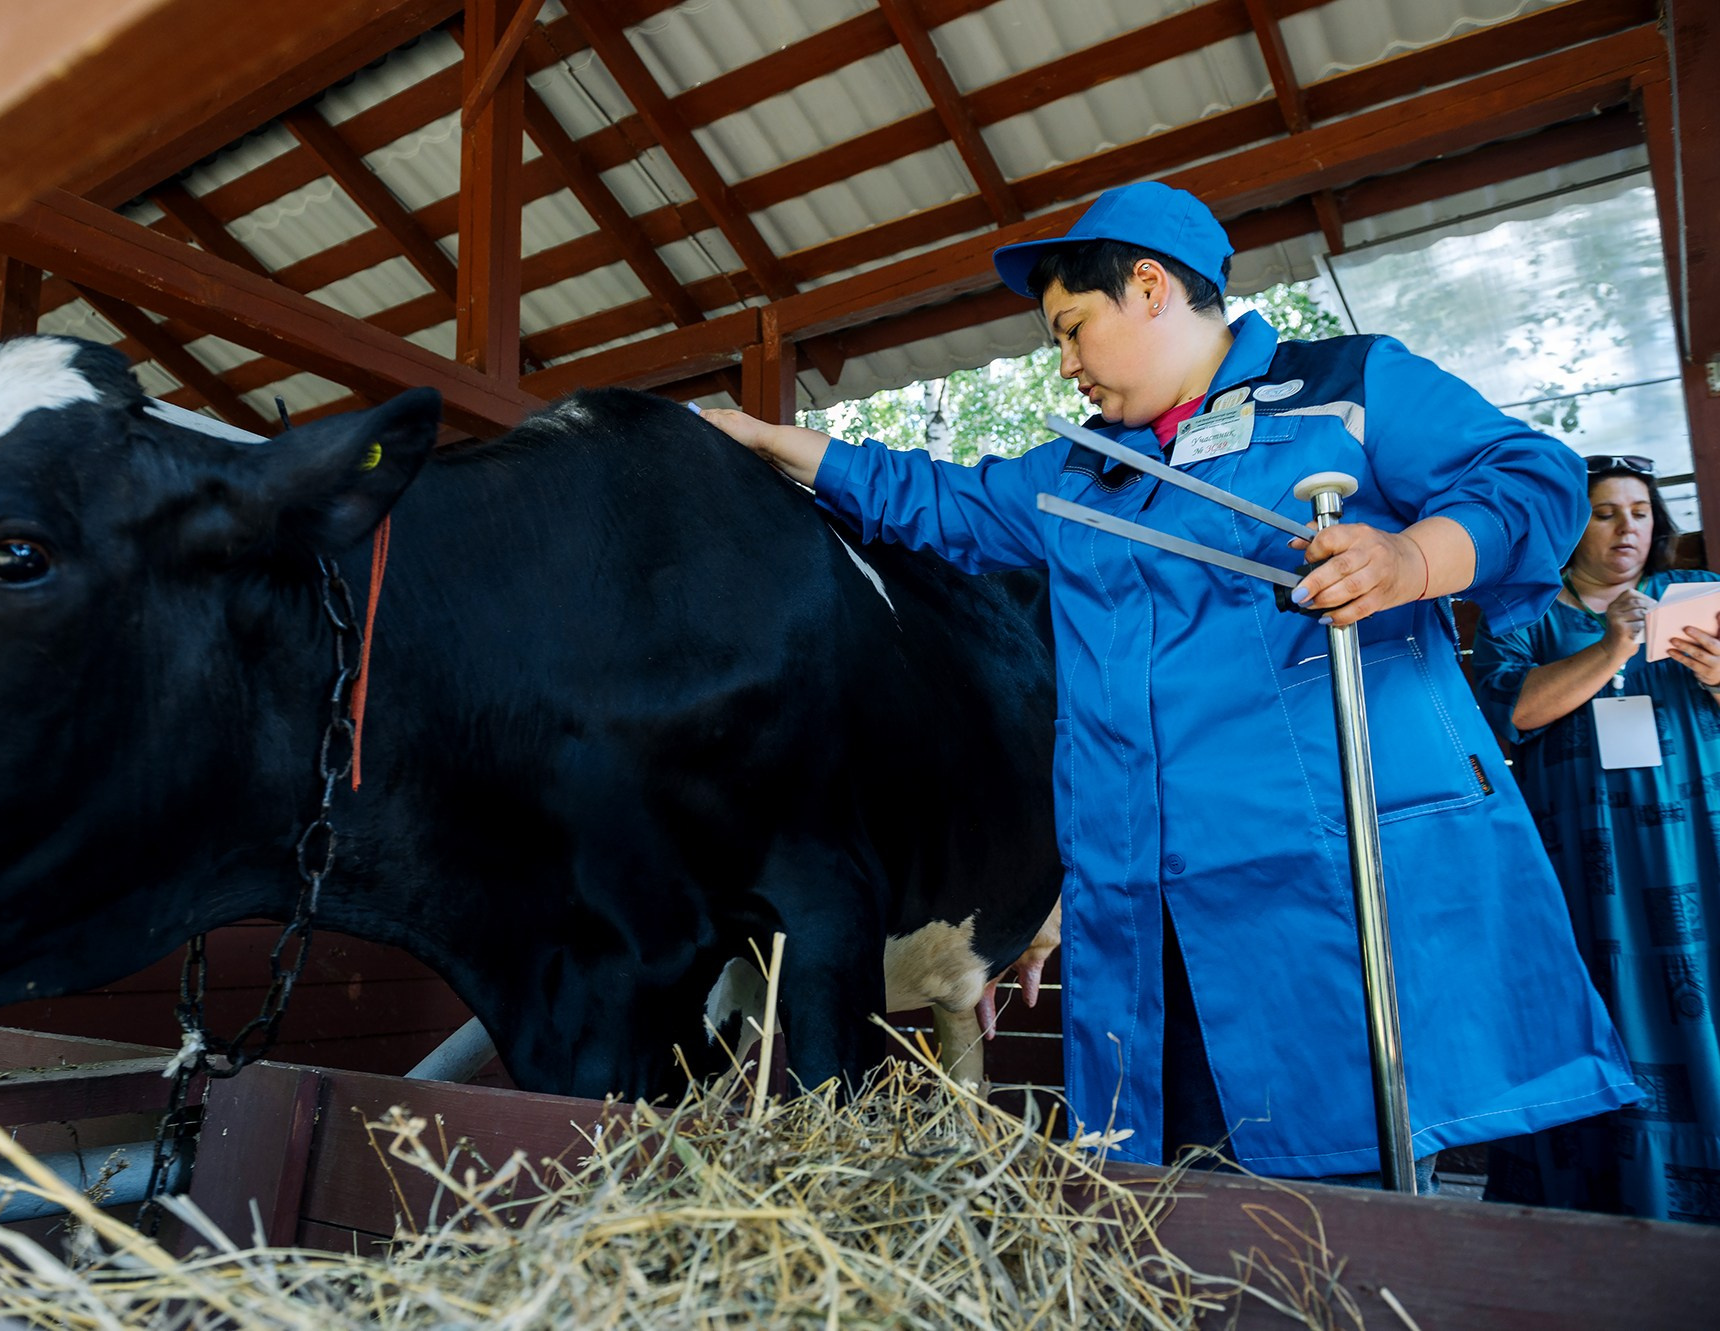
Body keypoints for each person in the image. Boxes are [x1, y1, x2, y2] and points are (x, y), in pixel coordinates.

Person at [698, 181, 1637, 1189]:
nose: (1062, 363)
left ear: (1146, 285)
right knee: (1163, 1193)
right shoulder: (1076, 473)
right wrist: (763, 440)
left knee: (1332, 1195)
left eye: (1070, 327)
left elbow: (1527, 473)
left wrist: (1411, 560)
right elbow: (932, 496)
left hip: (1317, 893)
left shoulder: (1343, 391)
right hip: (1137, 908)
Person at [1471, 455, 1720, 1222]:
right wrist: (1610, 646)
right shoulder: (1524, 613)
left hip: (1695, 856)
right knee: (1600, 1007)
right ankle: (1606, 1212)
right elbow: (1508, 713)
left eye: (1640, 511)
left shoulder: (1694, 606)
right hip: (1585, 863)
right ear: (1571, 526)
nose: (1628, 528)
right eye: (1606, 512)